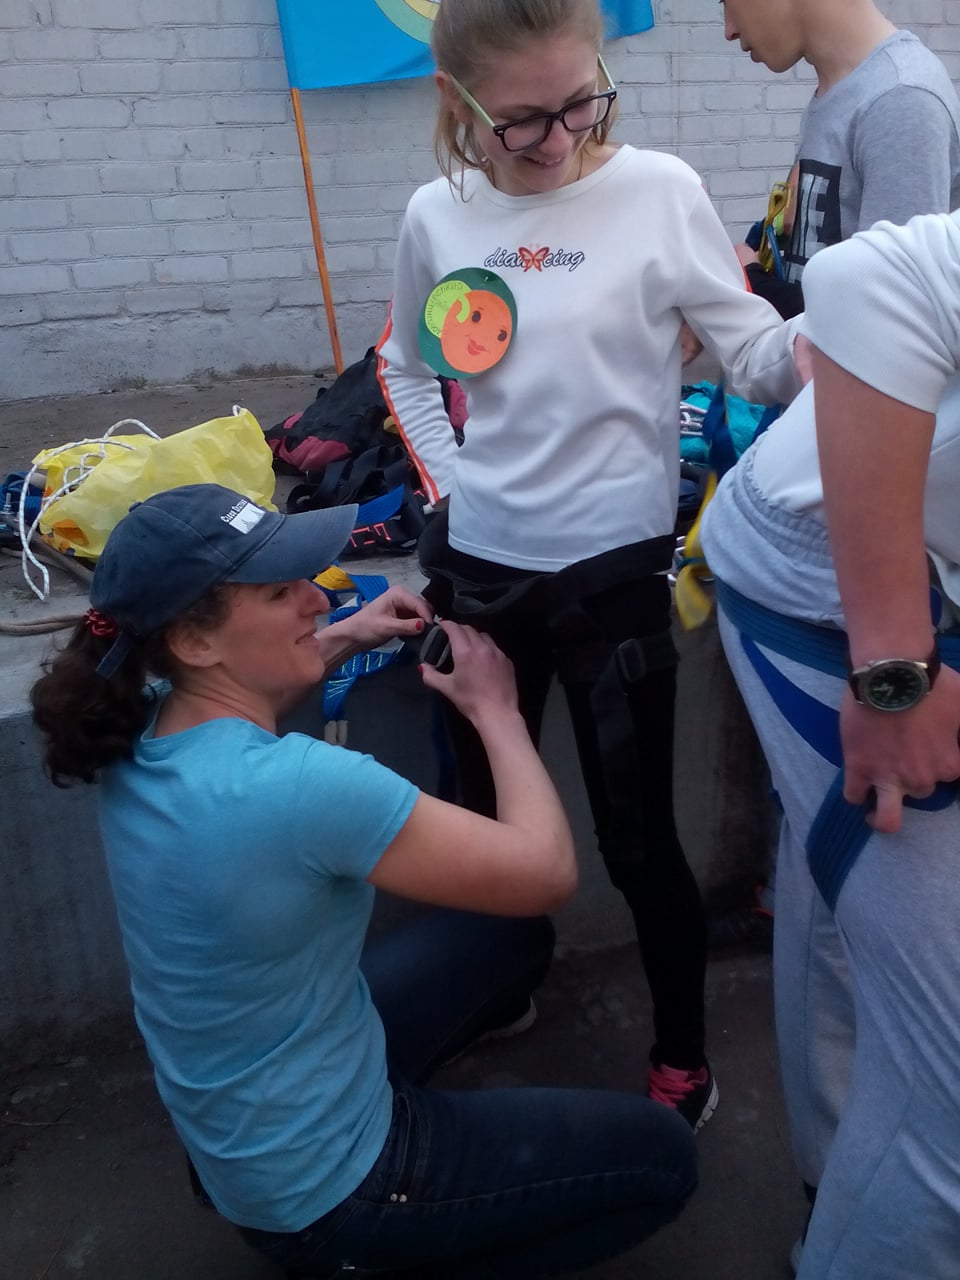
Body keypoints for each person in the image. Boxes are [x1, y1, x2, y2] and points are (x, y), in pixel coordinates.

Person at [30, 482, 699, 1279]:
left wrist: (348, 634)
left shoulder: (136, 719)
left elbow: (240, 697)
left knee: (506, 938)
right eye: (280, 593)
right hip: (334, 1191)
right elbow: (546, 871)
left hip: (239, 1140)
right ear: (194, 640)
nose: (317, 599)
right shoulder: (301, 787)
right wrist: (498, 712)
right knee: (664, 1158)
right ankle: (379, 1252)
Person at [376, 0, 804, 1128]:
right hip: (479, 578)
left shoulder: (660, 191)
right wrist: (453, 490)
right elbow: (407, 365)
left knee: (637, 841)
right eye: (522, 119)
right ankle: (500, 985)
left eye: (581, 103)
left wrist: (849, 334)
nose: (559, 139)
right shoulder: (436, 213)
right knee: (479, 823)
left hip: (614, 579)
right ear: (457, 103)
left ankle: (682, 1061)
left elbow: (754, 351)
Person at [700, 210, 960, 1278]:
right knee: (952, 1089)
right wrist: (893, 668)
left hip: (899, 557)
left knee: (845, 899)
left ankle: (832, 1182)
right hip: (829, 578)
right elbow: (868, 279)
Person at [721, 0, 960, 316]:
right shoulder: (843, 91)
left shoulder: (900, 100)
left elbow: (888, 319)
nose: (729, 30)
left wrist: (753, 284)